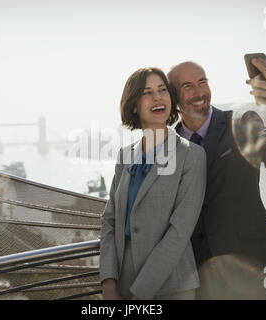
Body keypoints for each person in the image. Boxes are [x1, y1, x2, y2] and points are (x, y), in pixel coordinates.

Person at [167, 58, 266, 299]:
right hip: (195, 277)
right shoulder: (167, 146)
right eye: (188, 86)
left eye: (203, 82)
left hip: (249, 271)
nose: (199, 92)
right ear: (173, 97)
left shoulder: (242, 124)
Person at [99, 67, 206, 300]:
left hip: (172, 287)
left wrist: (142, 293)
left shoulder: (192, 156)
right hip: (122, 286)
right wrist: (108, 281)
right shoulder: (124, 155)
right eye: (147, 92)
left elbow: (179, 231)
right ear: (134, 105)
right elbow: (109, 220)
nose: (158, 97)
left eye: (162, 90)